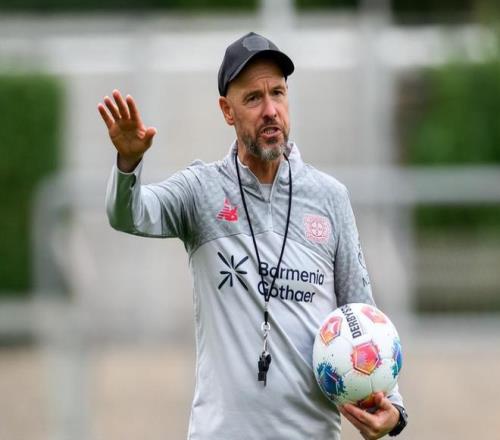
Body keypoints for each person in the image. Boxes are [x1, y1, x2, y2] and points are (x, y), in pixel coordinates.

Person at [99, 32, 408, 440]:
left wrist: (394, 410)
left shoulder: (330, 197)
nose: (270, 110)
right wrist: (128, 161)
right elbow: (128, 214)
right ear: (227, 111)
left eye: (278, 93)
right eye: (253, 98)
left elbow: (362, 314)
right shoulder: (201, 190)